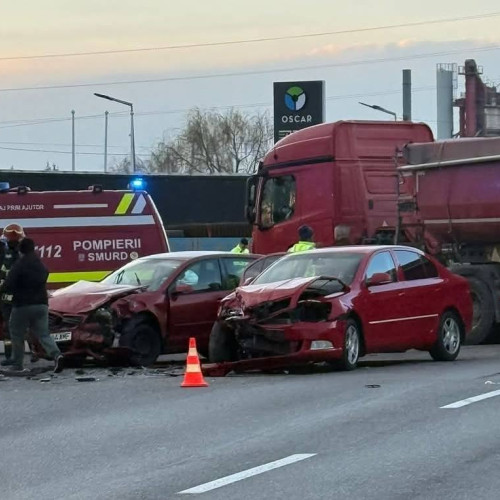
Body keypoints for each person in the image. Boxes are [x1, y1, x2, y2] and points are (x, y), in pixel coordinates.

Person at [0, 238, 64, 373]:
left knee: (16, 333)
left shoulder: (19, 265)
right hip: (41, 305)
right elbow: (46, 273)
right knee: (43, 333)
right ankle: (57, 355)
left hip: (22, 305)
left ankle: (17, 365)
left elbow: (8, 284)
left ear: (20, 250)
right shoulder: (39, 264)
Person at [0, 223, 24, 366]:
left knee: (15, 328)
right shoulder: (8, 254)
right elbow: (3, 271)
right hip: (7, 298)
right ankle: (11, 356)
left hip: (15, 297)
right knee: (8, 328)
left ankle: (16, 357)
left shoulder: (20, 255)